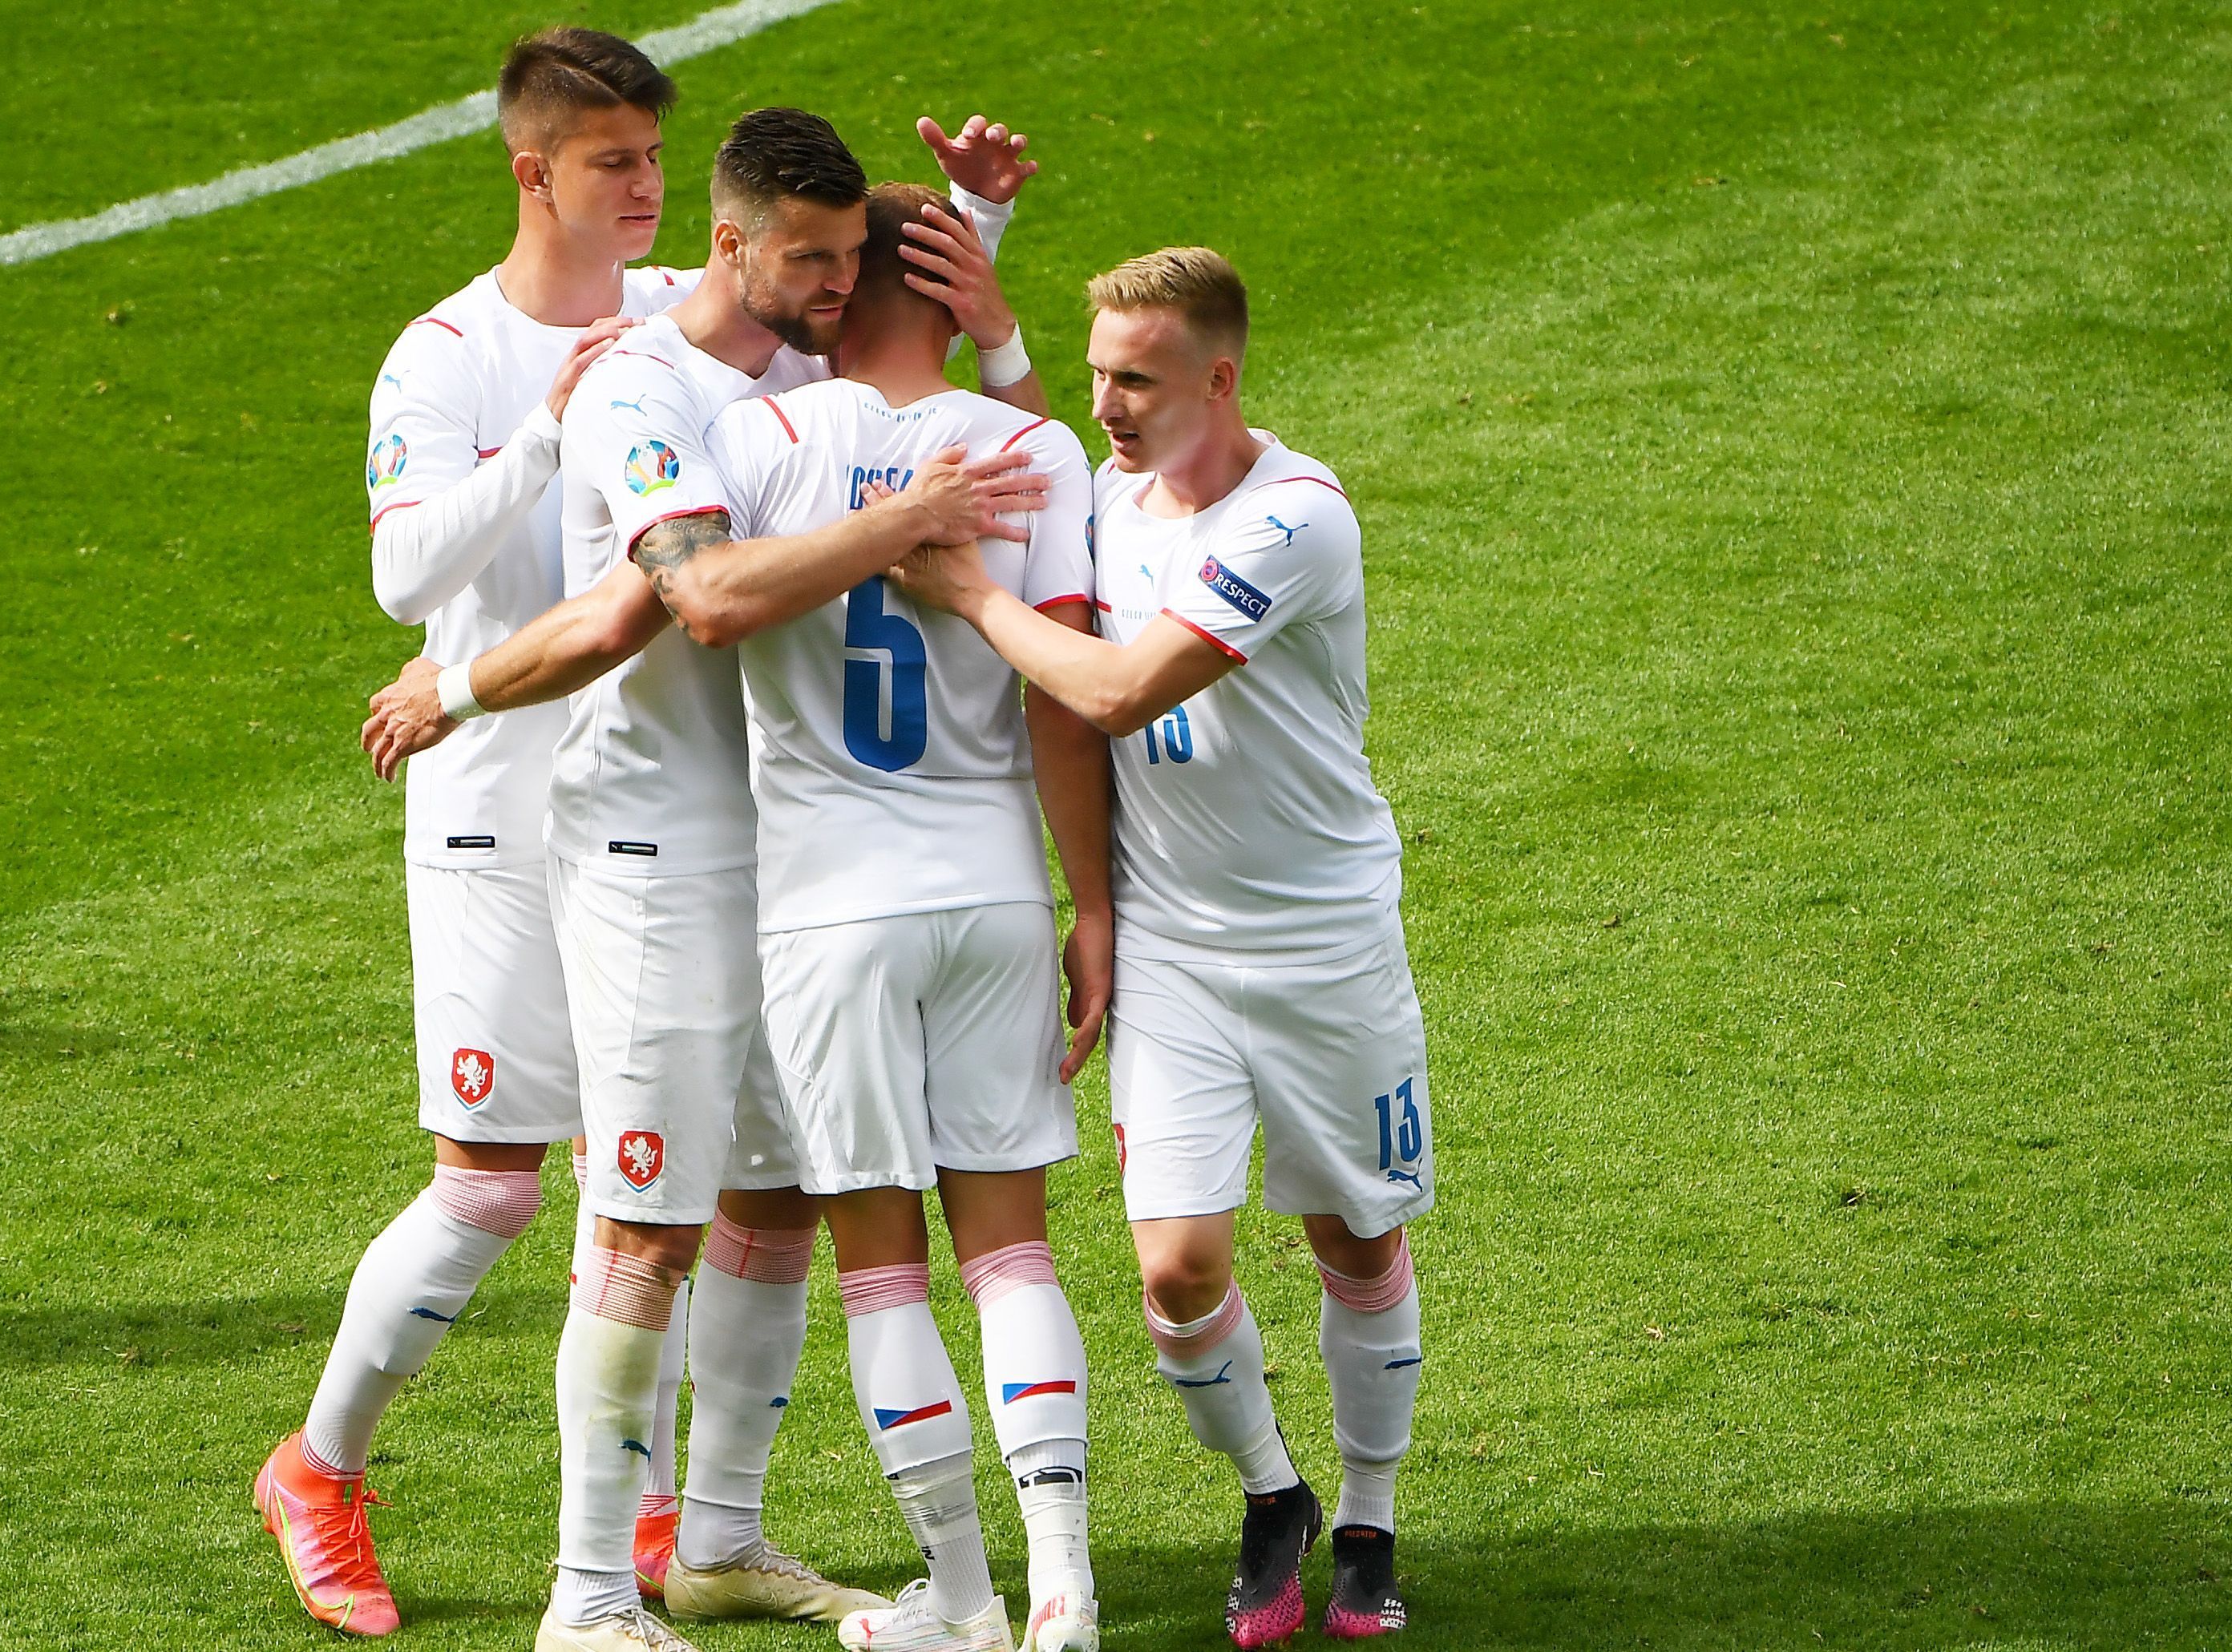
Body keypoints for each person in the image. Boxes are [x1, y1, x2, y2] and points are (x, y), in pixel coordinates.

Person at [257, 26, 1032, 1638]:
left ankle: (717, 1537)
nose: (832, 283)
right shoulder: (609, 380)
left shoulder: (776, 349)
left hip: (789, 850)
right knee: (603, 1207)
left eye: (843, 264)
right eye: (802, 259)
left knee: (772, 1197)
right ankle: (581, 1589)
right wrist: (462, 678)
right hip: (627, 844)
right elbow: (677, 596)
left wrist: (969, 230)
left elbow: (862, 329)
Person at [888, 247, 1432, 1646]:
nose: (1110, 404)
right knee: (1177, 1267)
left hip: (1326, 945)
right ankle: (1276, 1492)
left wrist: (976, 600)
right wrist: (993, 302)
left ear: (1220, 377)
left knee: (1354, 1237)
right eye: (1099, 375)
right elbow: (1049, 445)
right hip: (1179, 955)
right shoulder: (1114, 498)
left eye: (1138, 376)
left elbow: (1122, 690)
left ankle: (1370, 1514)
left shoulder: (1296, 517)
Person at [704, 180, 1109, 1652]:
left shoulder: (751, 438)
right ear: (954, 291)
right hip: (993, 889)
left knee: (882, 1268)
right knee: (1016, 1252)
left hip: (823, 914)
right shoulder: (1030, 445)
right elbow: (1069, 706)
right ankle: (1064, 1582)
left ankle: (963, 1595)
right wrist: (1097, 905)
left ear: (844, 284)